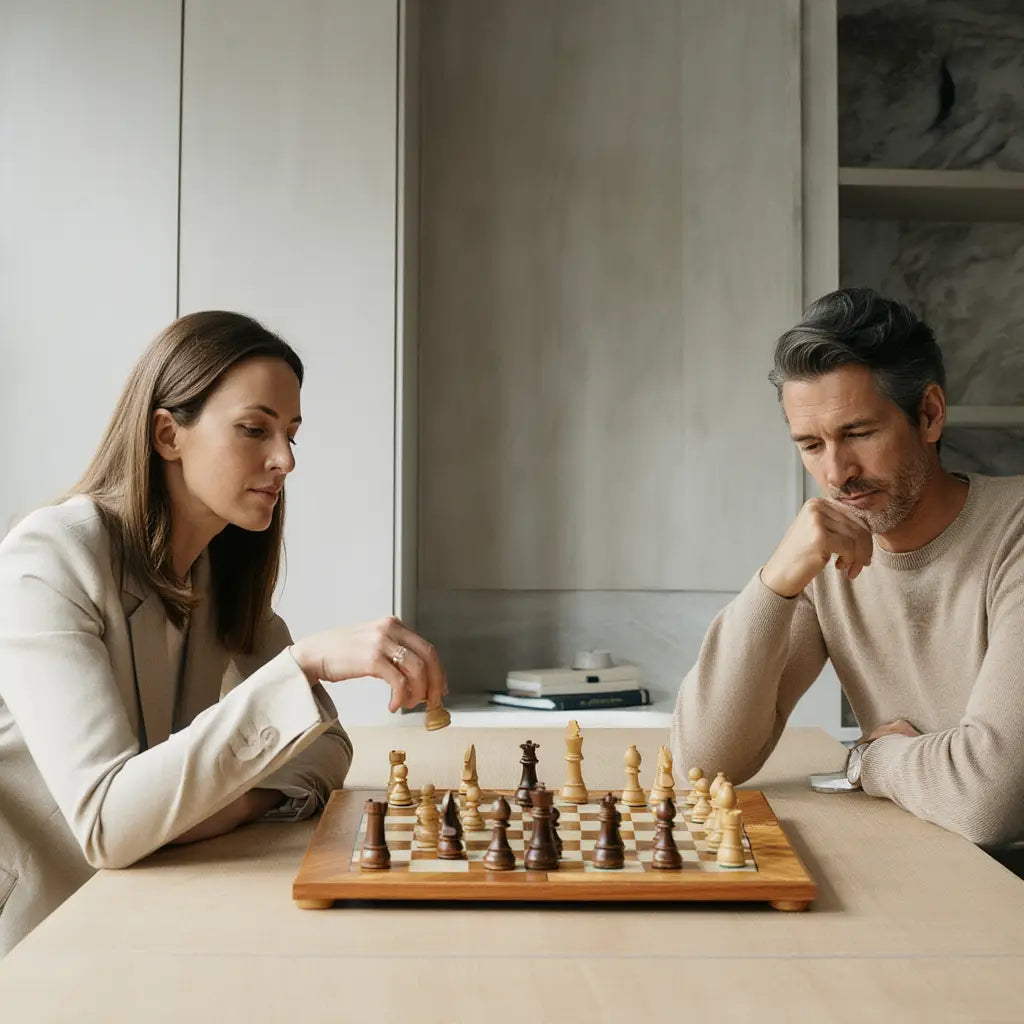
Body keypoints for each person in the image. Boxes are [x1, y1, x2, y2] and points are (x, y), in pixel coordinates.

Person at [0, 311, 447, 956]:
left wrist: (214, 810)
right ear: (166, 434)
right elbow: (107, 825)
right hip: (35, 929)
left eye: (291, 433)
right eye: (253, 429)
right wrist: (302, 665)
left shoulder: (217, 570)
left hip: (136, 912)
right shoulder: (49, 559)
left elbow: (326, 750)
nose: (284, 459)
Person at [671, 288, 1024, 865]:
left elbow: (989, 802)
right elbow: (702, 764)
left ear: (930, 414)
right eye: (810, 445)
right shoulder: (830, 558)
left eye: (858, 433)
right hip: (926, 857)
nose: (837, 474)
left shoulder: (1016, 534)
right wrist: (776, 582)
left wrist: (868, 761)